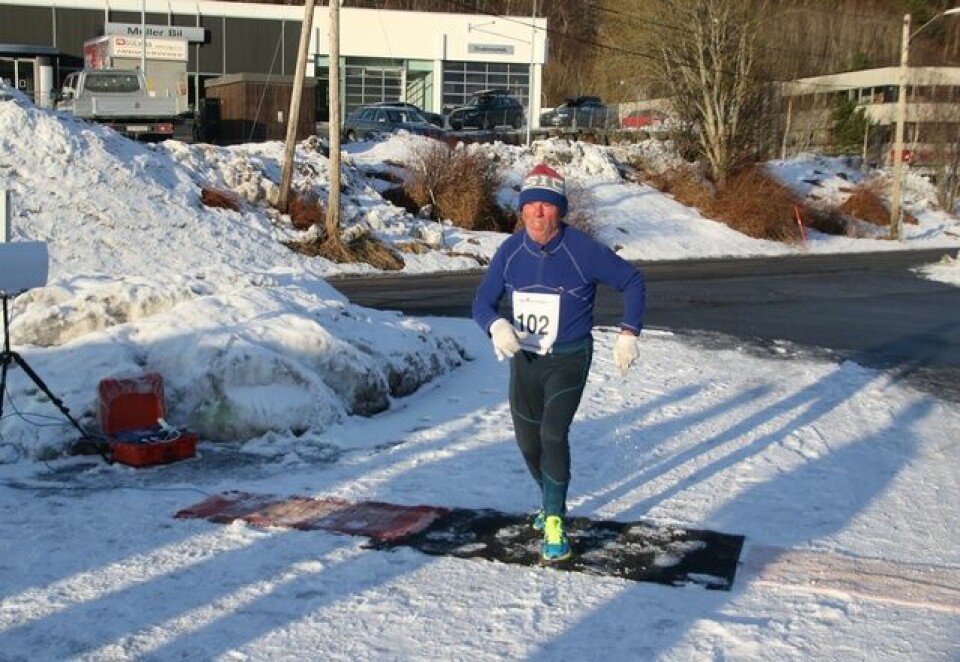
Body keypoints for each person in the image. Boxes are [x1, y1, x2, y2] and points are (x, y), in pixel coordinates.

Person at [472, 163, 646, 562]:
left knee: (552, 434)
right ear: (521, 210)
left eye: (546, 207)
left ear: (560, 210)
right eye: (530, 205)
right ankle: (549, 498)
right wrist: (496, 325)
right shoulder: (511, 250)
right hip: (526, 360)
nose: (537, 213)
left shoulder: (582, 250)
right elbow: (481, 302)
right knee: (528, 443)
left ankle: (555, 519)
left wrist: (628, 333)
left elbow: (632, 281)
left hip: (568, 358)